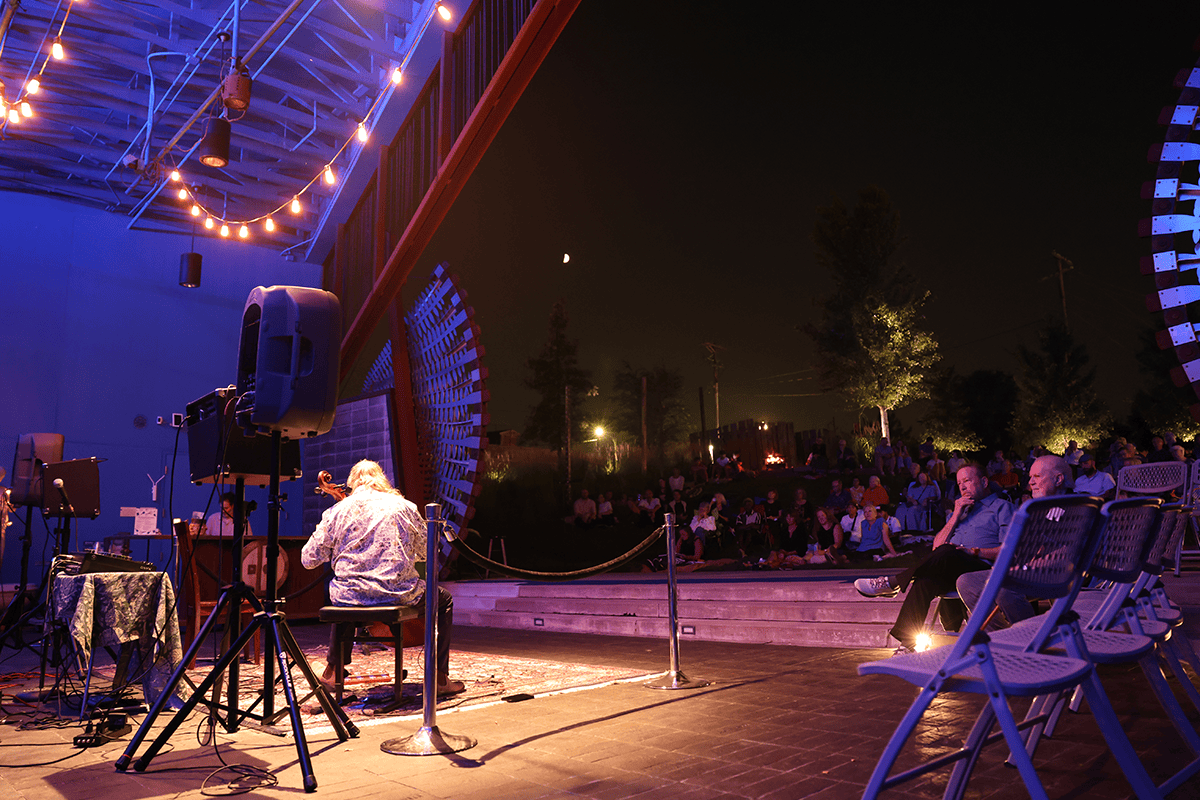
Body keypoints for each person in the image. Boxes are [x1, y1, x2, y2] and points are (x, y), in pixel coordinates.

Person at [302, 460, 464, 695]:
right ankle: (440, 678)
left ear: (351, 484)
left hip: (349, 597)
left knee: (349, 590)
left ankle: (333, 671)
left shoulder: (335, 512)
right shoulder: (404, 506)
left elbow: (308, 560)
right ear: (382, 481)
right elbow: (427, 550)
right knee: (444, 599)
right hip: (396, 594)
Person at [854, 464, 1014, 652]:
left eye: (967, 481)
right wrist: (955, 516)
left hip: (981, 568)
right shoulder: (962, 510)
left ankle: (894, 582)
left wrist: (974, 551)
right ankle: (907, 645)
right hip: (951, 564)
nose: (962, 487)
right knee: (924, 580)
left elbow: (1009, 549)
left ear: (984, 481)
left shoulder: (1003, 507)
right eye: (959, 483)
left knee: (948, 552)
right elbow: (937, 548)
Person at [955, 455, 1072, 631]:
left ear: (1058, 479)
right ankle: (999, 636)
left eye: (1037, 477)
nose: (1030, 482)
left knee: (1006, 587)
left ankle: (1030, 638)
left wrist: (1027, 566)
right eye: (1030, 477)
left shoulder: (1077, 506)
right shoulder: (1038, 509)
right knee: (967, 581)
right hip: (1024, 569)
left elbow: (1072, 551)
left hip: (1053, 572)